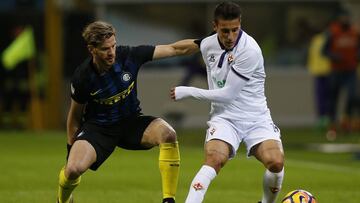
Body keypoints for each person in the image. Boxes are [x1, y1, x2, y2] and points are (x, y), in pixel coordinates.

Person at [56, 21, 199, 203]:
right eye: (105, 49)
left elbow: (175, 49)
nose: (111, 53)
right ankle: (62, 200)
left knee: (168, 134)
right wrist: (71, 150)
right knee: (73, 169)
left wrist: (206, 43)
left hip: (131, 122)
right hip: (99, 129)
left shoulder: (129, 56)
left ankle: (168, 200)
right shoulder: (83, 77)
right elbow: (75, 117)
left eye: (113, 46)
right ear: (91, 49)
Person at [170, 2, 284, 203]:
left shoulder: (250, 50)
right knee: (214, 159)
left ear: (240, 24)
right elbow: (186, 46)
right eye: (225, 31)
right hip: (224, 118)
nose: (230, 36)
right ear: (215, 26)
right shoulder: (208, 44)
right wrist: (151, 52)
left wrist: (187, 91)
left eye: (235, 30)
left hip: (256, 118)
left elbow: (228, 94)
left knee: (276, 162)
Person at [323, 9, 360, 133]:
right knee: (333, 98)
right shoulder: (333, 32)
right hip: (336, 70)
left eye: (347, 17)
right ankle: (332, 123)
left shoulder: (355, 32)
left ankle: (346, 121)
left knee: (353, 96)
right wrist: (335, 56)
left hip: (351, 70)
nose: (345, 19)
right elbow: (324, 51)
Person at [307, 31, 331, 130]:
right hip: (321, 71)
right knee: (321, 96)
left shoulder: (320, 40)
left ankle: (327, 119)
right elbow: (312, 55)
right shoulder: (319, 40)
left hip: (327, 71)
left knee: (326, 97)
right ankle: (322, 119)